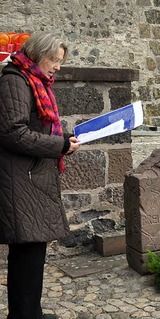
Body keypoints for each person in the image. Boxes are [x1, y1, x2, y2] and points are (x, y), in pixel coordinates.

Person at [0, 32, 80, 319]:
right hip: (21, 181)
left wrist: (64, 140)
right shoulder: (15, 80)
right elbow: (12, 132)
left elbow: (37, 127)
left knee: (32, 255)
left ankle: (30, 312)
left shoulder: (32, 81)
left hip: (31, 179)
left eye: (60, 61)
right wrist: (58, 145)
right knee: (26, 256)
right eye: (54, 60)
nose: (58, 66)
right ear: (36, 55)